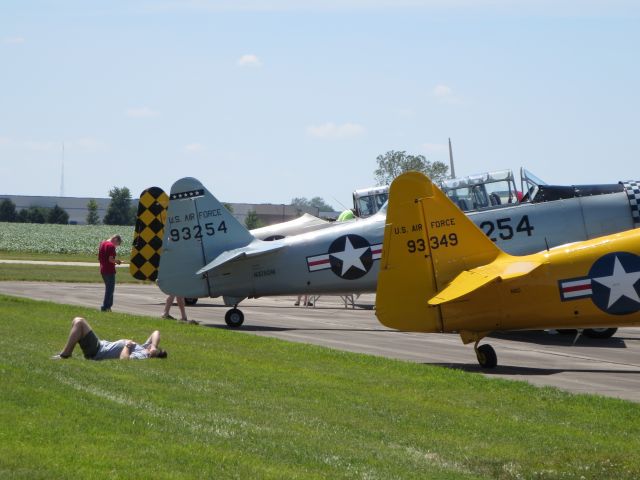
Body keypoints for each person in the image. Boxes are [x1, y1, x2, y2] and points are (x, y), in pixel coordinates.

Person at [51, 316, 167, 360]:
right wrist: (154, 346)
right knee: (77, 322)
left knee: (79, 322)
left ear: (154, 355)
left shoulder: (143, 354)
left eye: (155, 351)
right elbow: (156, 332)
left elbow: (124, 359)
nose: (151, 348)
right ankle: (67, 353)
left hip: (98, 351)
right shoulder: (145, 347)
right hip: (100, 345)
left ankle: (65, 355)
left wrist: (127, 346)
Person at [98, 234, 122, 312]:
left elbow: (100, 258)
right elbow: (111, 259)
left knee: (109, 288)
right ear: (115, 239)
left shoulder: (102, 243)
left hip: (103, 269)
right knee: (110, 290)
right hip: (109, 270)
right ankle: (105, 307)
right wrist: (117, 261)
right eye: (117, 244)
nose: (116, 246)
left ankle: (108, 307)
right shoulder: (111, 246)